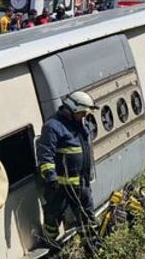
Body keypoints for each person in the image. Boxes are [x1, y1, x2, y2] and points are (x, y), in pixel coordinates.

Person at [35, 91, 98, 249]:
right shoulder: (52, 127)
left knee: (88, 217)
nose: (84, 116)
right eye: (82, 113)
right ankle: (51, 247)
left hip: (81, 184)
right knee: (53, 216)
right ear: (72, 109)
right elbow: (45, 154)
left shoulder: (78, 125)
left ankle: (92, 248)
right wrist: (51, 178)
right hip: (60, 186)